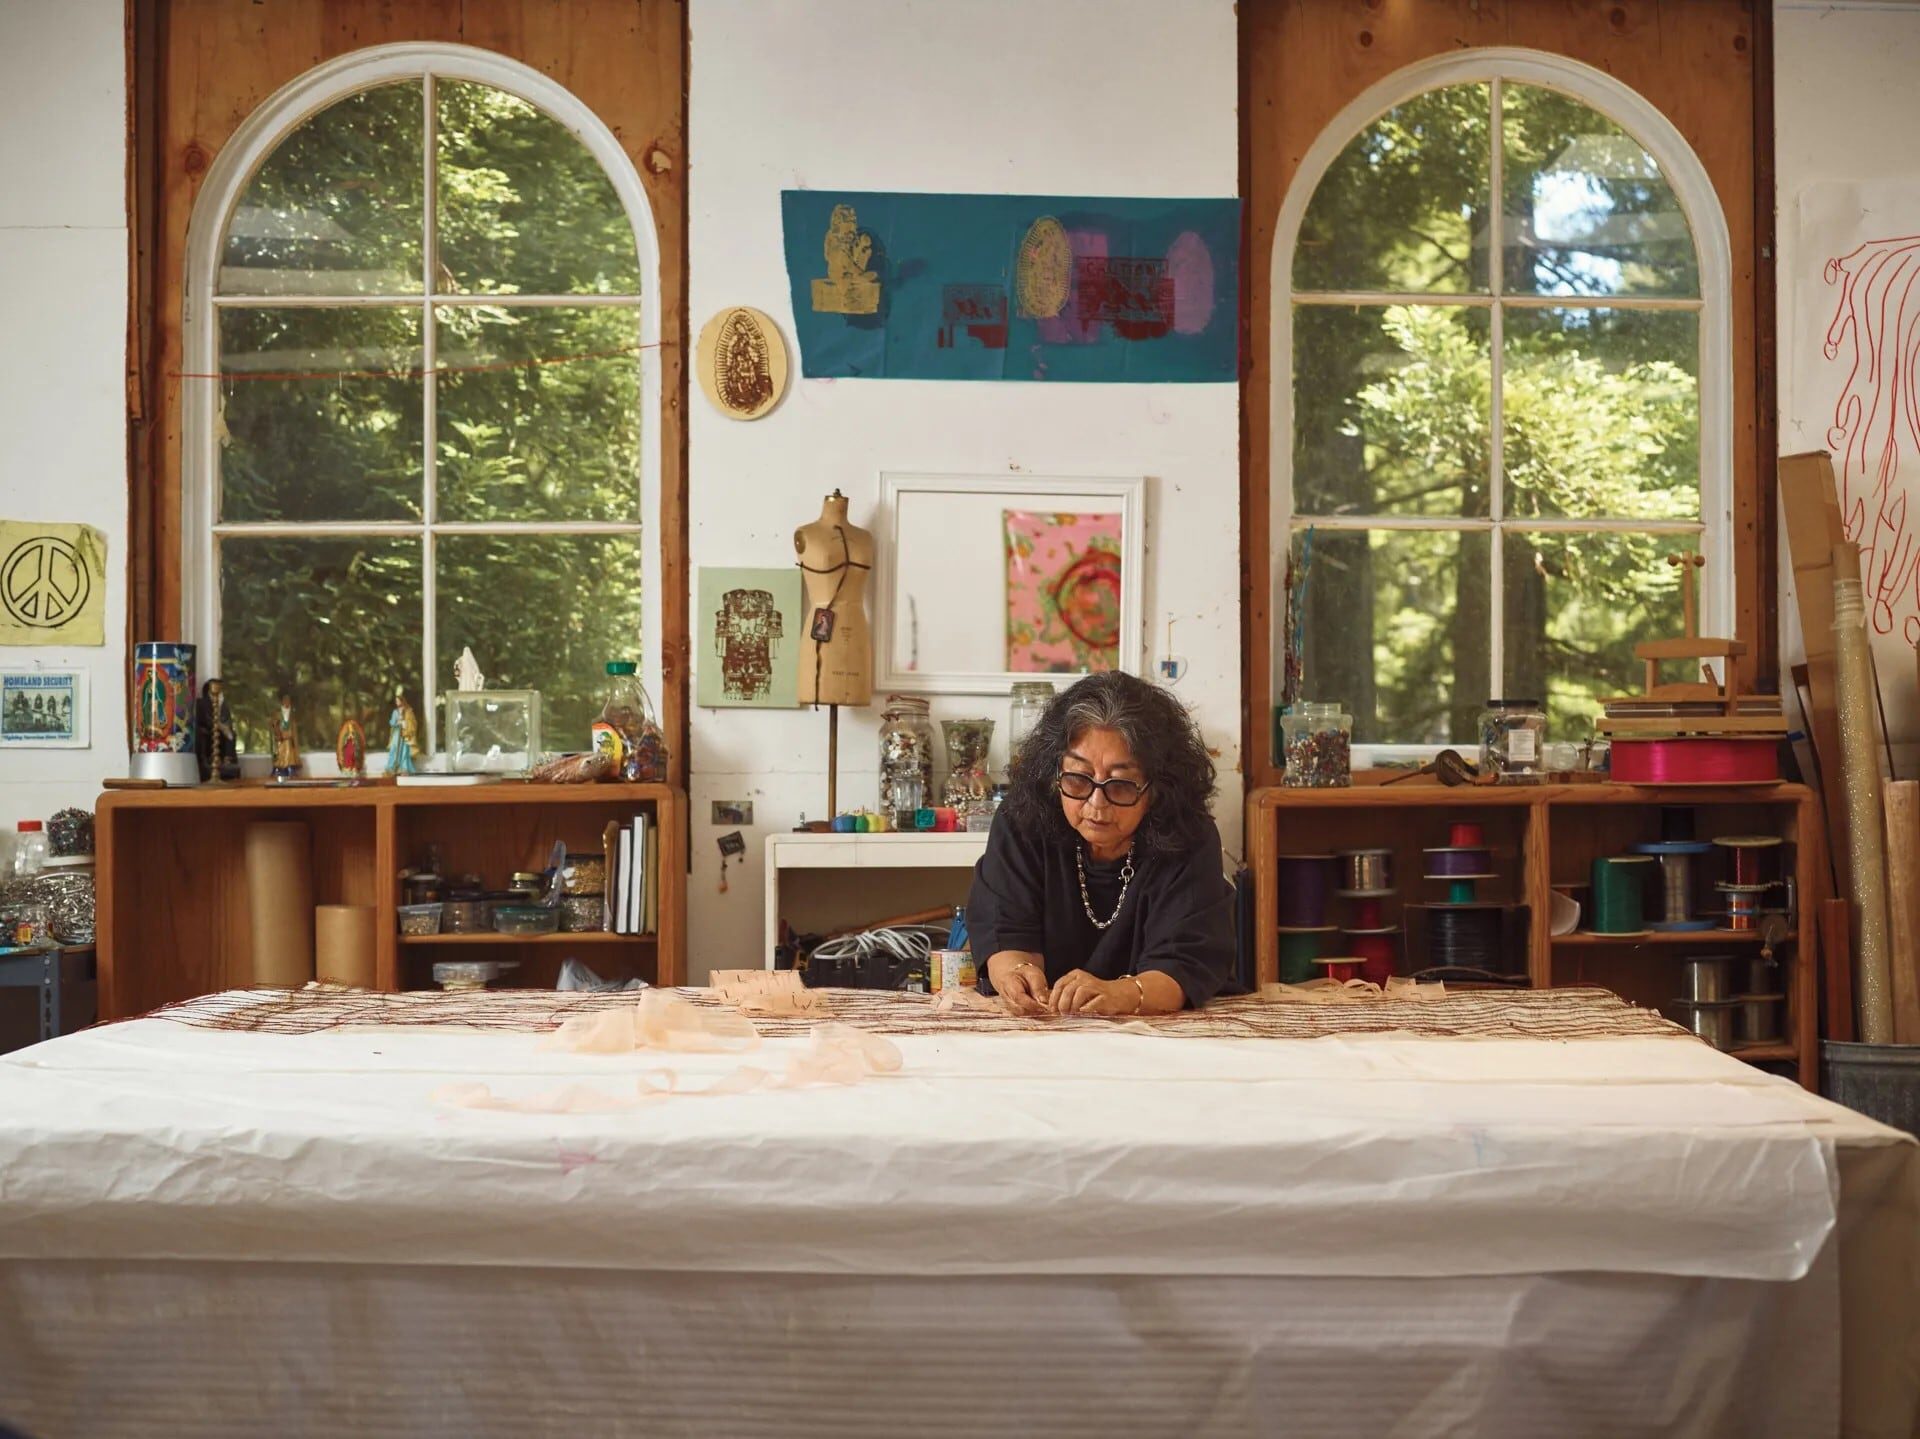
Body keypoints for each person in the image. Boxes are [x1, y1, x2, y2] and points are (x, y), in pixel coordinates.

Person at [968, 670, 1237, 1016]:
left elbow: (1184, 965)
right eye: (1078, 779)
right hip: (1048, 1029)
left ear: (1157, 789)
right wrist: (1017, 974)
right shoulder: (1022, 820)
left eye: (1121, 785)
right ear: (1054, 774)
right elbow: (1005, 930)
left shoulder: (1189, 836)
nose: (1097, 805)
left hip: (1158, 1032)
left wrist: (1120, 994)